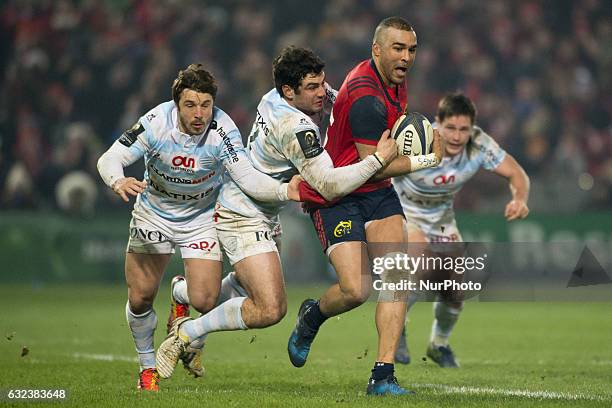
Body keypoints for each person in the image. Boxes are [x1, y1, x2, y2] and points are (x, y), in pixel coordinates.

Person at [154, 46, 399, 379]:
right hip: (243, 213)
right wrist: (378, 160)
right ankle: (187, 335)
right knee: (270, 308)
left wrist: (357, 111)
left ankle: (183, 293)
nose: (320, 92)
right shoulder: (294, 127)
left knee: (236, 292)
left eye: (320, 83)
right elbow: (328, 185)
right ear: (289, 90)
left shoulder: (274, 96)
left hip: (263, 211)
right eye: (311, 87)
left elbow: (336, 99)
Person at [96, 64, 300, 391]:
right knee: (140, 298)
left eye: (205, 105)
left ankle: (181, 292)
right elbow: (109, 158)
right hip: (154, 214)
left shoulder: (223, 128)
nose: (199, 113)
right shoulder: (154, 122)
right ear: (176, 104)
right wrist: (117, 180)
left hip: (202, 218)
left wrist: (283, 190)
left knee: (205, 301)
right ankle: (147, 366)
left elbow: (245, 176)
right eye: (190, 105)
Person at [287, 17, 444, 396]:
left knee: (396, 276)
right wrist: (427, 159)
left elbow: (382, 167)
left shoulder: (394, 81)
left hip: (377, 193)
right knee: (356, 288)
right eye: (398, 48)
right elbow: (375, 165)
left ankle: (382, 375)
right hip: (339, 194)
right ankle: (313, 315)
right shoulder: (367, 98)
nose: (406, 57)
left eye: (411, 49)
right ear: (377, 50)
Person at [392, 92, 530, 367]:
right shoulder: (416, 139)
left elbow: (516, 173)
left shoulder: (479, 144)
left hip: (441, 217)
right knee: (420, 262)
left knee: (456, 288)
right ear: (437, 124)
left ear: (472, 128)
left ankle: (438, 344)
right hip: (402, 211)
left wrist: (519, 199)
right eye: (450, 128)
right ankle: (397, 329)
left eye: (463, 129)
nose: (456, 136)